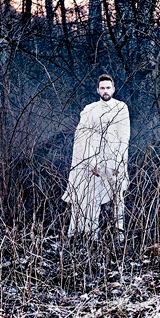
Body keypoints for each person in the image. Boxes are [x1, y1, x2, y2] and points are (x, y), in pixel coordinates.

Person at [62, 74, 130, 239]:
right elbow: (82, 137)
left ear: (113, 89)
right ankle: (92, 234)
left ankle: (119, 232)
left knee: (118, 197)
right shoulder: (90, 110)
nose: (105, 91)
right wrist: (92, 162)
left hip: (114, 159)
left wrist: (119, 162)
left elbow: (124, 137)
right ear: (98, 90)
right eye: (102, 88)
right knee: (93, 196)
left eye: (108, 88)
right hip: (95, 160)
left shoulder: (121, 108)